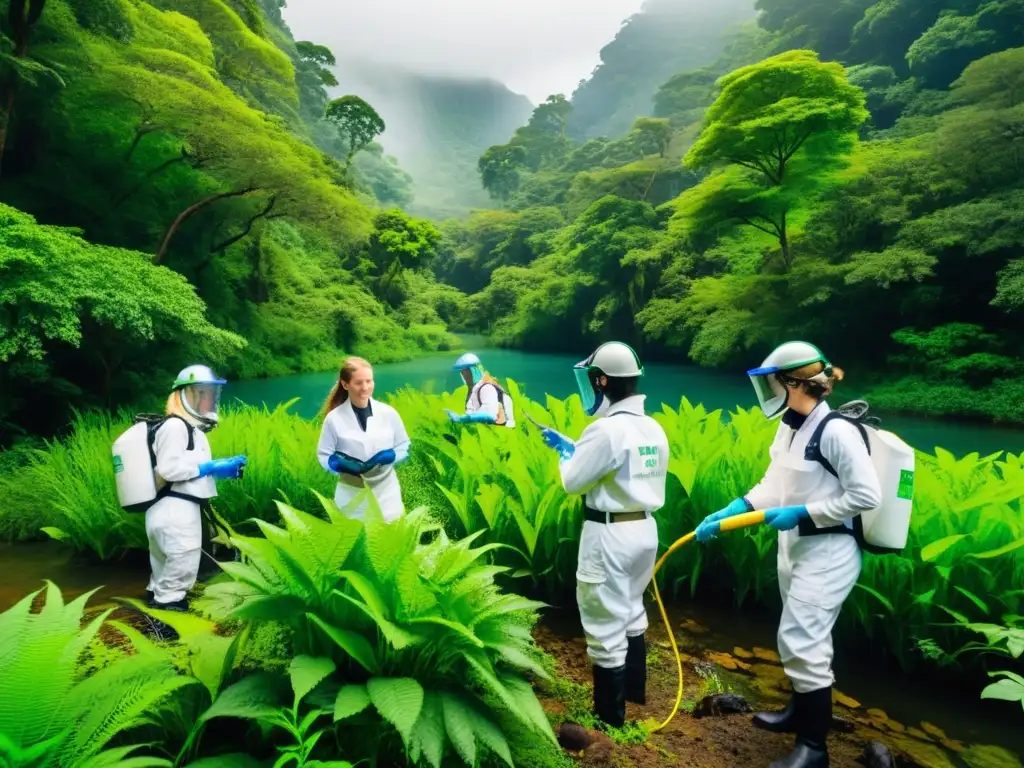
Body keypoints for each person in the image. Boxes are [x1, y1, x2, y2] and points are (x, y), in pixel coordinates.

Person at [695, 341, 882, 768]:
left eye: (771, 383)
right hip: (795, 547)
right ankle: (799, 714)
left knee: (803, 641)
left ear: (793, 384)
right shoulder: (791, 425)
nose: (767, 392)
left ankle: (814, 750)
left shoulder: (835, 431)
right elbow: (773, 480)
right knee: (797, 635)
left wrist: (804, 512)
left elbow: (866, 495)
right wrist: (741, 506)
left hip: (830, 551)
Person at [539, 341, 668, 729]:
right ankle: (635, 694)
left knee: (602, 620)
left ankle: (610, 721)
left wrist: (566, 454)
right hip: (644, 530)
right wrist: (578, 448)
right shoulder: (652, 426)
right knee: (631, 609)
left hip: (609, 533)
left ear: (601, 381)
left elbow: (574, 482)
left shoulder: (606, 429)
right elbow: (623, 467)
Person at [146, 365, 247, 611]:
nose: (209, 399)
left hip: (170, 509)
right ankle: (167, 632)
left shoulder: (189, 429)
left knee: (161, 579)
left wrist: (219, 469)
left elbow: (186, 467)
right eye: (203, 393)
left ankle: (149, 623)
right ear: (188, 395)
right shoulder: (175, 426)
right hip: (175, 511)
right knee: (178, 576)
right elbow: (169, 469)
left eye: (211, 394)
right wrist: (209, 468)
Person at [317, 356, 410, 523]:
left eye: (369, 381)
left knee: (388, 539)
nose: (365, 387)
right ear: (345, 385)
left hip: (386, 494)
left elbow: (404, 445)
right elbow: (323, 454)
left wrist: (391, 455)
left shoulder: (388, 413)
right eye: (359, 383)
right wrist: (337, 464)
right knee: (355, 543)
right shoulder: (334, 419)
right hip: (351, 496)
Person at [445, 352, 515, 428]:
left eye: (465, 373)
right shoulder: (476, 389)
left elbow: (490, 415)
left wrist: (461, 419)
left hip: (502, 434)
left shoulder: (486, 388)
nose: (464, 377)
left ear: (473, 371)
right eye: (462, 373)